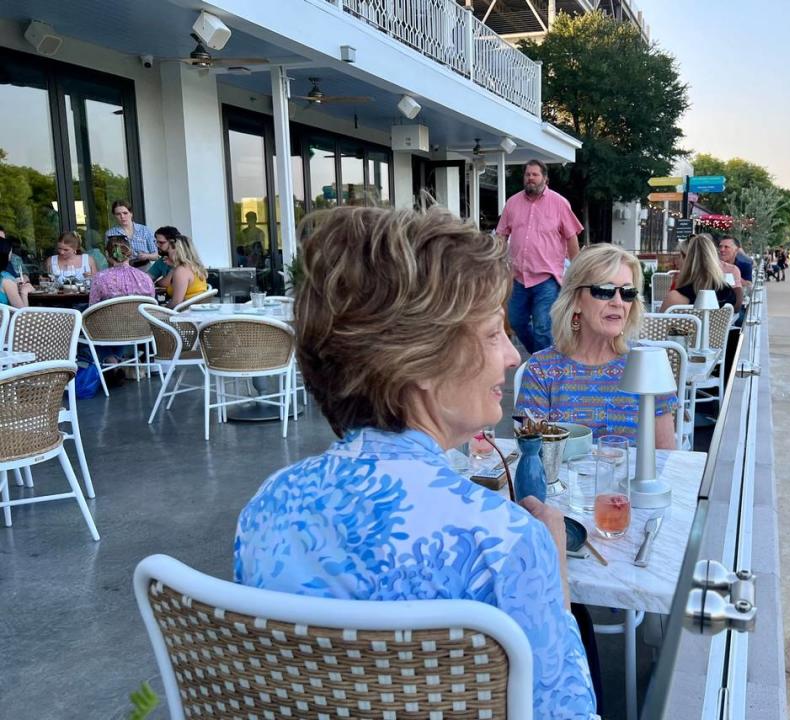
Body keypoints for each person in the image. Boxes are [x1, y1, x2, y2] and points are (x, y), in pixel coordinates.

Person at [234, 205, 597, 719]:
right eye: (494, 334)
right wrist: (555, 578)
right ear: (422, 361)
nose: (513, 355)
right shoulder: (503, 539)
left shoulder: (268, 507)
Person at [516, 244, 678, 449]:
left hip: (631, 481)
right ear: (575, 301)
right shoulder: (542, 368)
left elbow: (666, 456)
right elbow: (535, 456)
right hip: (562, 480)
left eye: (627, 292)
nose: (618, 302)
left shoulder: (647, 362)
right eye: (604, 291)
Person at [496, 159, 583, 354]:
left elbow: (571, 238)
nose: (530, 179)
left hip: (547, 279)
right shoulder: (512, 203)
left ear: (545, 178)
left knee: (543, 327)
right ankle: (540, 359)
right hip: (518, 277)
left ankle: (543, 371)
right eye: (527, 175)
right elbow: (501, 235)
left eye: (535, 175)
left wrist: (578, 270)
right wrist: (497, 262)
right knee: (516, 322)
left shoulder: (559, 203)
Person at [661, 233, 738, 312]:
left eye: (678, 256)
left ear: (687, 259)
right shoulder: (729, 294)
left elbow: (660, 323)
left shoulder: (675, 299)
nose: (676, 261)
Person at [88, 236, 155, 305]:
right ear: (129, 253)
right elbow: (152, 307)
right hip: (139, 315)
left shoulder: (99, 278)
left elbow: (93, 307)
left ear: (107, 254)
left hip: (111, 315)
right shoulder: (145, 278)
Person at [106, 200, 157, 268]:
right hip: (121, 269)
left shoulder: (144, 230)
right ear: (114, 216)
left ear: (131, 213)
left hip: (144, 269)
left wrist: (146, 256)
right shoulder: (110, 233)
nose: (122, 216)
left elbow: (156, 255)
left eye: (125, 213)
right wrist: (115, 263)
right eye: (118, 214)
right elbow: (108, 256)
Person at [163, 234, 208, 307]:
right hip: (198, 311)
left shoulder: (181, 270)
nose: (168, 252)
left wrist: (161, 308)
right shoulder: (196, 266)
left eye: (169, 249)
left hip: (185, 313)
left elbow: (176, 302)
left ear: (176, 251)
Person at [0, 238, 31, 308]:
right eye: (11, 251)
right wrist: (24, 292)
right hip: (6, 319)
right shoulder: (6, 280)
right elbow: (22, 315)